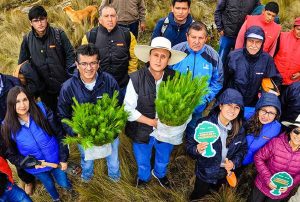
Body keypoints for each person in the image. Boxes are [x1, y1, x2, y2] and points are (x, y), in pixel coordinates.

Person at [124, 37, 186, 188]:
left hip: (167, 131)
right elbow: (127, 109)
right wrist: (152, 122)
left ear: (168, 60)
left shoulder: (175, 79)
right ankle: (143, 177)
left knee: (163, 158)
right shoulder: (136, 78)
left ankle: (159, 174)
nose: (158, 60)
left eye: (163, 56)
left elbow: (183, 106)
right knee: (143, 159)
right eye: (155, 55)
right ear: (149, 57)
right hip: (142, 130)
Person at [57, 44, 121, 182]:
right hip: (83, 135)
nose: (88, 68)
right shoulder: (68, 87)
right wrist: (76, 132)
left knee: (113, 159)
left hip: (108, 133)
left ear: (98, 64)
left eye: (93, 63)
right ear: (77, 64)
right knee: (87, 160)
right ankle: (87, 178)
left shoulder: (109, 81)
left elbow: (119, 106)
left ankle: (115, 179)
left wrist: (113, 127)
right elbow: (63, 115)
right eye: (84, 63)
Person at [1, 86, 72, 202]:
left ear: (29, 99)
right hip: (37, 167)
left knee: (63, 181)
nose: (22, 105)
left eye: (25, 100)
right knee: (49, 184)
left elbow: (60, 134)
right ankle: (56, 198)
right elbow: (12, 155)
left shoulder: (42, 110)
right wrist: (31, 164)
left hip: (56, 159)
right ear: (11, 104)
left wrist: (63, 158)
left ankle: (70, 191)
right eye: (17, 102)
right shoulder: (6, 127)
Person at [186, 88, 247, 200]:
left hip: (222, 174)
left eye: (237, 107)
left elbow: (242, 149)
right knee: (198, 195)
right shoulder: (204, 124)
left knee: (213, 195)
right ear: (220, 106)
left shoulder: (239, 129)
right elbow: (189, 146)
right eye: (229, 105)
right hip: (205, 172)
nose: (232, 110)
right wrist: (196, 149)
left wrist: (234, 163)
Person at [171, 21, 223, 146]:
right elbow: (165, 76)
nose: (196, 41)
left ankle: (189, 148)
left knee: (193, 128)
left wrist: (205, 97)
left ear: (206, 38)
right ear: (187, 36)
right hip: (177, 103)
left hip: (198, 105)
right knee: (174, 130)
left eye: (200, 38)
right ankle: (172, 149)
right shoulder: (176, 51)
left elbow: (218, 80)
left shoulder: (213, 56)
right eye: (193, 37)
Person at [18, 5, 75, 113]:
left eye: (42, 19)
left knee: (70, 112)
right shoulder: (27, 39)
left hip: (64, 84)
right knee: (52, 115)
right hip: (44, 89)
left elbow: (70, 55)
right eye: (36, 21)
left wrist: (69, 77)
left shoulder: (59, 34)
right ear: (31, 23)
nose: (40, 23)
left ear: (46, 19)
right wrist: (33, 85)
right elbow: (22, 64)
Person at [82, 5, 138, 102]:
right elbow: (83, 61)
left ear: (117, 18)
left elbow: (133, 58)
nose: (110, 19)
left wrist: (131, 78)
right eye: (106, 16)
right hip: (98, 88)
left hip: (122, 86)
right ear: (100, 19)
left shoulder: (127, 35)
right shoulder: (90, 36)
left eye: (112, 16)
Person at [224, 25, 282, 107]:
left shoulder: (267, 59)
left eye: (258, 42)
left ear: (262, 43)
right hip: (233, 101)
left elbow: (276, 79)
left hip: (253, 103)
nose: (254, 45)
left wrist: (265, 94)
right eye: (251, 41)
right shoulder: (234, 56)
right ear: (245, 41)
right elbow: (224, 79)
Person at [248, 115, 300, 202]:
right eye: (296, 131)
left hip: (280, 193)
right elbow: (258, 157)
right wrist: (268, 179)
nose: (298, 136)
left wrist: (290, 185)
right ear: (290, 131)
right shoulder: (276, 143)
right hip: (262, 186)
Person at [0, 73, 36, 196]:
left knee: (23, 152)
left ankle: (33, 177)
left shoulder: (13, 82)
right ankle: (22, 182)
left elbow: (26, 105)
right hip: (1, 135)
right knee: (9, 160)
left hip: (19, 129)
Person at [242, 93, 281, 166]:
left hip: (250, 162)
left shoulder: (276, 128)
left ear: (276, 115)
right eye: (264, 110)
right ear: (258, 109)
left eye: (271, 113)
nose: (266, 116)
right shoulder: (245, 113)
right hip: (232, 157)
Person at [274, 17, 300, 86]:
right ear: (293, 28)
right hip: (275, 78)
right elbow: (272, 54)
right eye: (298, 29)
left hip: (293, 83)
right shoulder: (282, 36)